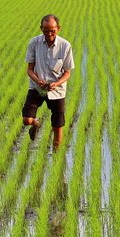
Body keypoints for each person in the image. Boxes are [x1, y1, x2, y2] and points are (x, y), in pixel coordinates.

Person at [22, 15, 75, 151]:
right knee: (27, 119)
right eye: (45, 31)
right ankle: (36, 123)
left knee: (57, 126)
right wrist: (37, 80)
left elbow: (67, 73)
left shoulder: (65, 46)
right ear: (41, 29)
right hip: (37, 87)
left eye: (52, 30)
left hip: (57, 91)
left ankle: (56, 155)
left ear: (58, 28)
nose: (49, 34)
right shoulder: (34, 43)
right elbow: (29, 70)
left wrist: (56, 84)